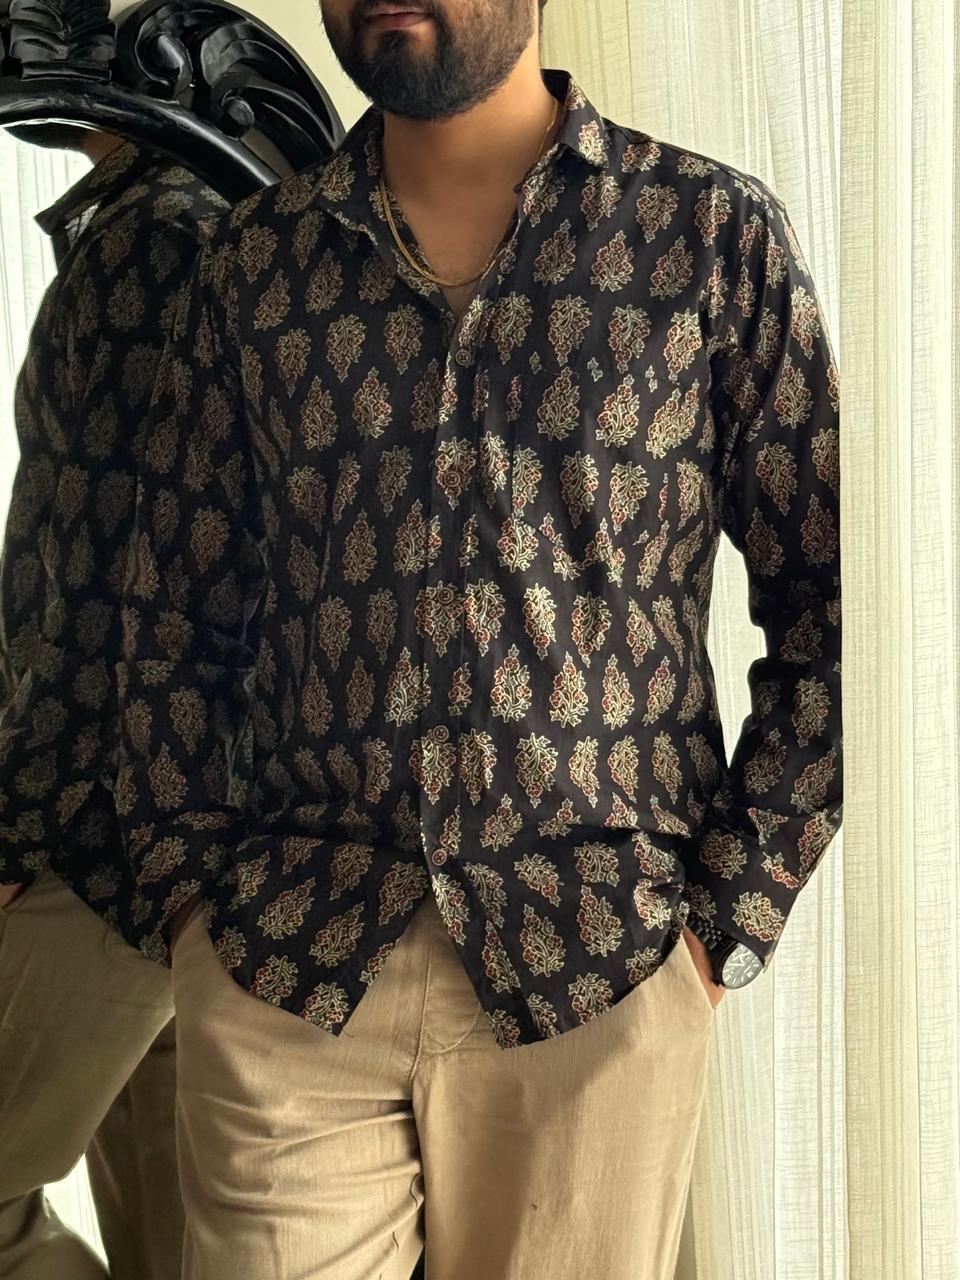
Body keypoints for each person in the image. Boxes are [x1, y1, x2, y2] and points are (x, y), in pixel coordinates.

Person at [6, 0, 843, 1274]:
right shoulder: (253, 267)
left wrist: (721, 923)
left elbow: (830, 599)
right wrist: (192, 908)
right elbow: (170, 617)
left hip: (597, 971)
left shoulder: (708, 238)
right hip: (290, 971)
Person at [0, 124, 227, 1278]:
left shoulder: (157, 236)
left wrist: (13, 827)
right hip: (169, 848)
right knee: (175, 1247)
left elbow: (107, 595)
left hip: (100, 837)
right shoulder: (160, 218)